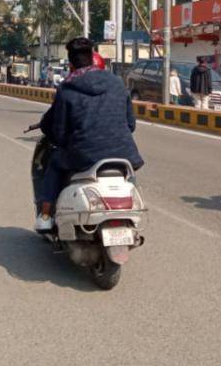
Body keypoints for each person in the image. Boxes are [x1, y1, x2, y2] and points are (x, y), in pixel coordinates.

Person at [36, 37, 143, 231]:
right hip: (125, 154)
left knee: (55, 162)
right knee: (129, 174)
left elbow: (59, 133)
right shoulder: (117, 83)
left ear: (70, 64)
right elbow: (130, 124)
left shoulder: (66, 90)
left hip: (85, 156)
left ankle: (45, 215)